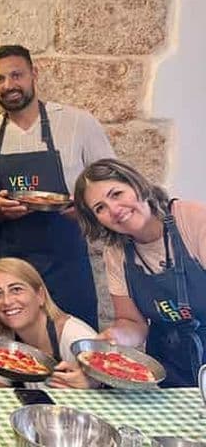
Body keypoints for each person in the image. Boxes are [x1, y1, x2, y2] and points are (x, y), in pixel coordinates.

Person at [0, 45, 114, 329]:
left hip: (66, 264)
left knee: (74, 349)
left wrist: (84, 209)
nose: (9, 85)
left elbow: (112, 187)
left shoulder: (77, 123)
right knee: (9, 355)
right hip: (9, 267)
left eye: (17, 75)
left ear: (33, 75)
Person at [74, 158, 206, 387]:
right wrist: (113, 338)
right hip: (168, 363)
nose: (114, 210)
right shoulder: (115, 252)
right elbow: (132, 322)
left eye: (116, 194)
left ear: (136, 185)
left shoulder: (193, 219)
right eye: (100, 208)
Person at [0, 257, 97, 389]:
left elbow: (111, 392)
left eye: (16, 289)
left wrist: (90, 386)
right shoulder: (5, 340)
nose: (6, 301)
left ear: (40, 295)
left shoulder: (76, 337)